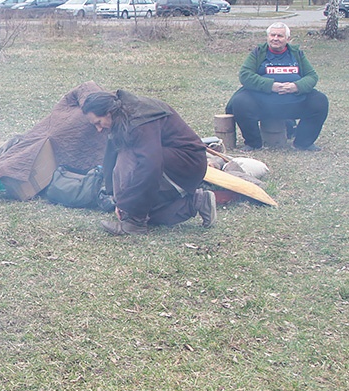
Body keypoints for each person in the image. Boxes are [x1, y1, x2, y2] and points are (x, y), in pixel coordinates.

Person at [81, 90, 216, 236]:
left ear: (109, 113)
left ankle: (134, 224)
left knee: (129, 159)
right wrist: (116, 198)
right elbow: (111, 158)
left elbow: (149, 166)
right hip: (167, 159)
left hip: (187, 163)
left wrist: (129, 206)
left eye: (98, 123)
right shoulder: (120, 115)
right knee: (149, 214)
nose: (99, 129)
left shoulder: (139, 121)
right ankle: (197, 202)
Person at [225, 22, 328, 152]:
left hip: (294, 101)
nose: (275, 38)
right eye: (272, 35)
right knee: (240, 101)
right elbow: (245, 75)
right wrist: (270, 86)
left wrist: (296, 86)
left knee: (319, 100)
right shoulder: (258, 53)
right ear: (268, 37)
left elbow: (312, 76)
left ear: (287, 39)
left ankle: (303, 143)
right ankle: (253, 143)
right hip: (262, 102)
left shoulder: (297, 54)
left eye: (280, 36)